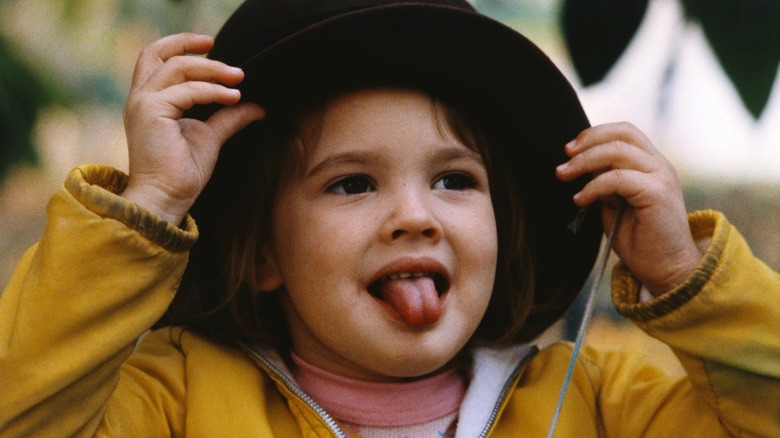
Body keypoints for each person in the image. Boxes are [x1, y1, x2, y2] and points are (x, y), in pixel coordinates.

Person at [1, 0, 778, 436]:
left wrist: (685, 277)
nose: (415, 216)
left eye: (453, 180)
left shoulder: (605, 405)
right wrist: (153, 205)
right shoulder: (172, 401)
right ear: (263, 252)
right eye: (350, 186)